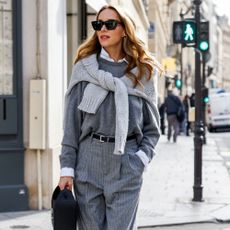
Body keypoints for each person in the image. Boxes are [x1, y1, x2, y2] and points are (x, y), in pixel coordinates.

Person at [58, 5, 163, 230]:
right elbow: (71, 126)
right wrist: (67, 169)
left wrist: (140, 160)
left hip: (127, 163)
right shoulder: (84, 69)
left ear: (124, 29)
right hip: (88, 162)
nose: (102, 29)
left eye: (110, 24)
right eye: (98, 24)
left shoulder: (142, 73)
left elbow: (153, 129)